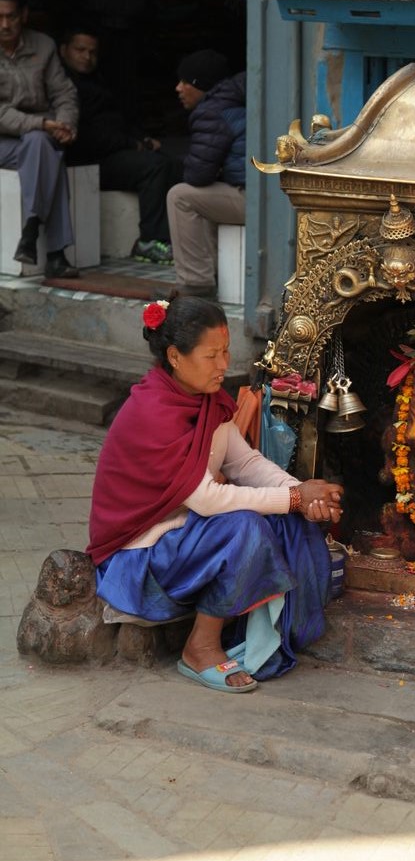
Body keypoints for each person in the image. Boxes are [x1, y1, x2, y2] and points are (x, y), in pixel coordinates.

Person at [87, 295, 343, 693]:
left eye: (226, 352)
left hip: (186, 539)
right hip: (140, 559)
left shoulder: (207, 400)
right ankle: (200, 647)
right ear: (175, 356)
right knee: (244, 528)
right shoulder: (151, 412)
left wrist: (300, 495)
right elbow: (206, 498)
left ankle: (262, 635)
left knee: (289, 521)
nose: (224, 365)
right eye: (212, 356)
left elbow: (244, 463)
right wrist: (292, 497)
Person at [60, 25, 181, 264]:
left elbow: (119, 121)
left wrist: (142, 140)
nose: (87, 56)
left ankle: (170, 240)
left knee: (172, 164)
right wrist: (132, 144)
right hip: (89, 160)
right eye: (80, 50)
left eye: (92, 52)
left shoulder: (98, 80)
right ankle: (149, 240)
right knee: (154, 167)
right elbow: (88, 136)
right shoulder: (63, 84)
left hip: (115, 151)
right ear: (63, 50)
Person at [0, 0, 80, 279]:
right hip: (4, 140)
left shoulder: (43, 46)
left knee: (41, 147)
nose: (5, 24)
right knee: (45, 150)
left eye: (11, 16)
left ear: (24, 15)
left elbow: (64, 93)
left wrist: (66, 124)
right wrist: (42, 124)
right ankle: (56, 253)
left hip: (39, 136)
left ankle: (32, 232)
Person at [166, 50, 246, 297]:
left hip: (256, 201)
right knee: (204, 198)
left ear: (200, 85)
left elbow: (198, 174)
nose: (178, 88)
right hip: (271, 196)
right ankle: (211, 277)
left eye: (185, 82)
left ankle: (195, 284)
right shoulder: (234, 100)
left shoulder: (212, 111)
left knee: (181, 196)